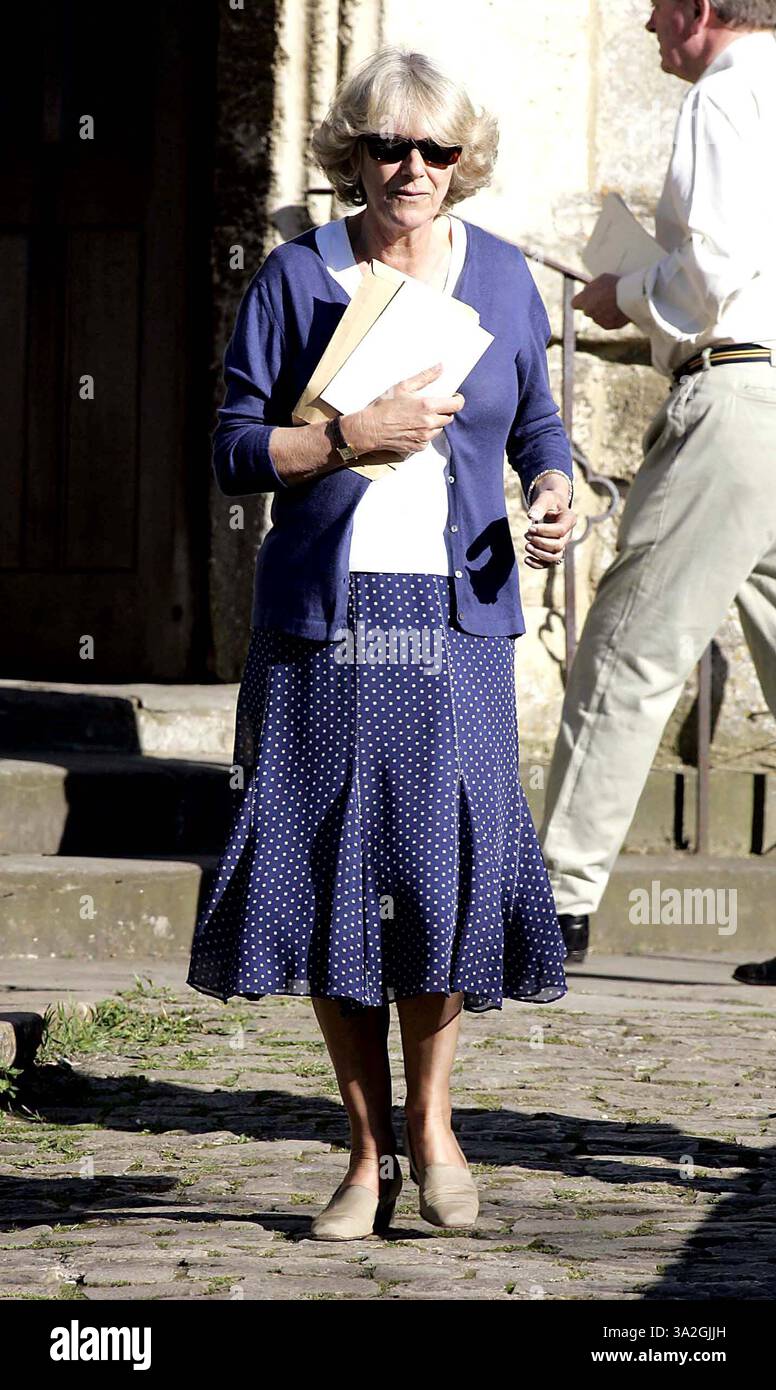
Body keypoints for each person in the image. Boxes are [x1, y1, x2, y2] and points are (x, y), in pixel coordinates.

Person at [186, 46, 577, 1241]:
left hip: (456, 617)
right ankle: (362, 1152)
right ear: (349, 153)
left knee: (439, 869)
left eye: (436, 151)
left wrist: (555, 487)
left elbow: (540, 423)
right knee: (326, 871)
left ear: (465, 163)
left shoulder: (505, 279)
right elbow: (234, 447)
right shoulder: (298, 276)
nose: (411, 169)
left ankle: (435, 1125)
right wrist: (345, 436)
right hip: (324, 615)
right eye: (386, 147)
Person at [537, 0, 776, 967]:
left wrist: (622, 291)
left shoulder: (727, 95)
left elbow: (712, 275)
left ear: (704, 9)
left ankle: (551, 907)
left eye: (657, 5)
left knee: (629, 649)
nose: (644, 24)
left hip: (741, 402)